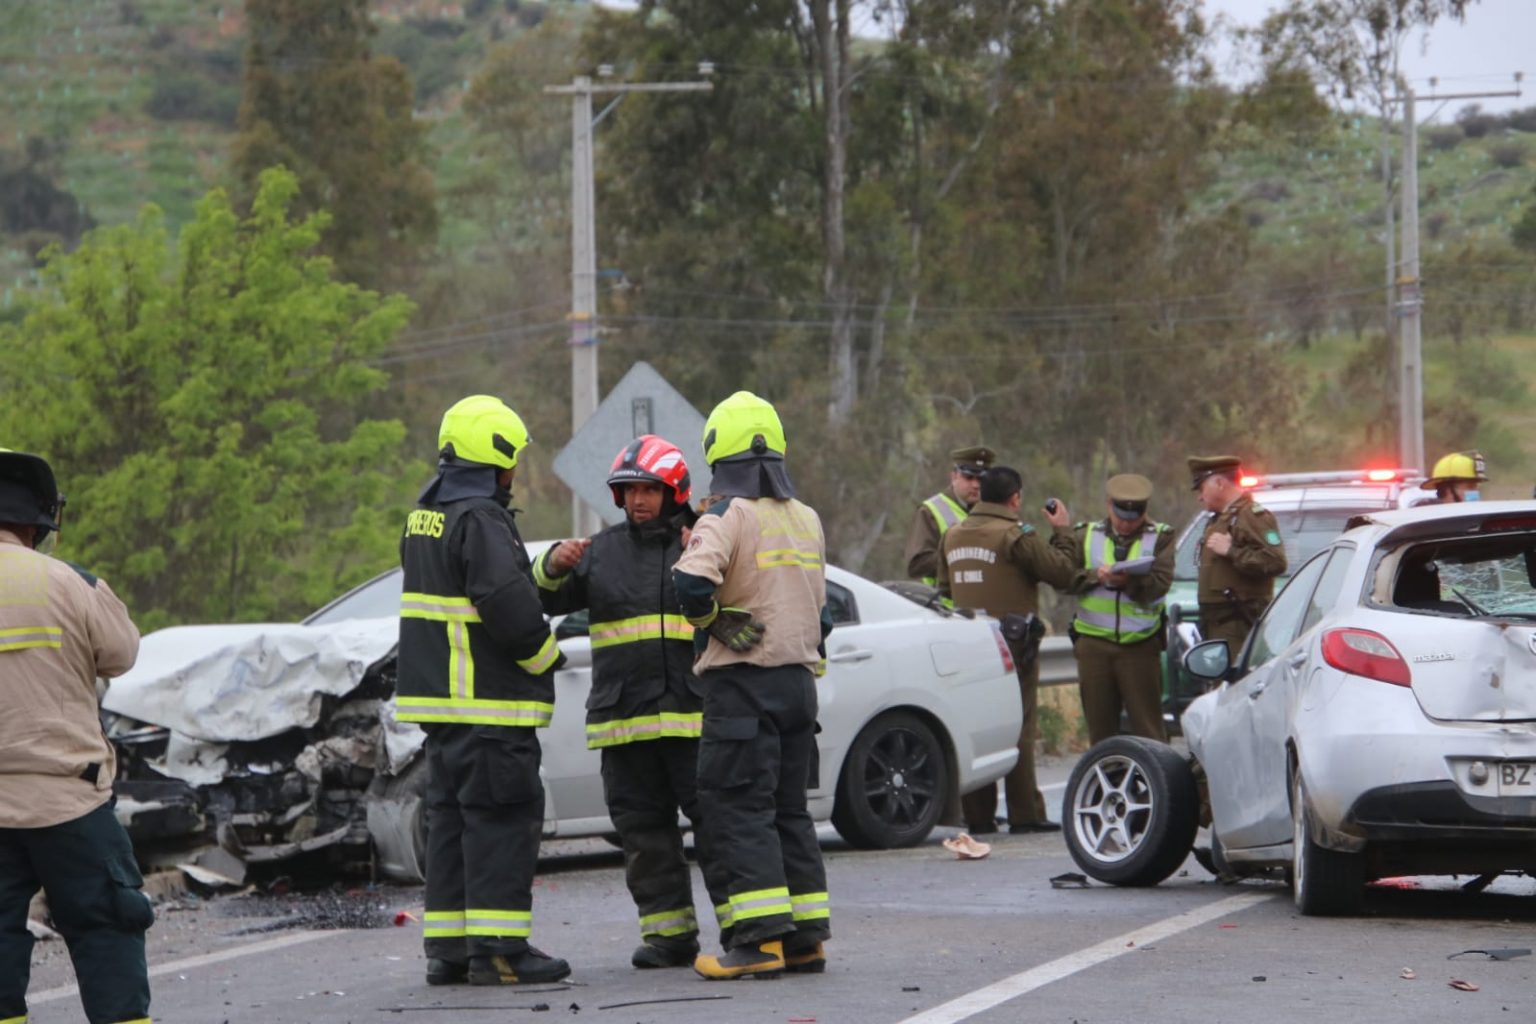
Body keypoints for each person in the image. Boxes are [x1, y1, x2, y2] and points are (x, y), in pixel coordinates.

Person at [395, 396, 570, 987]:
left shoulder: (427, 514)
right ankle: (499, 951)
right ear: (495, 457)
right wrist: (546, 657)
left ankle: (449, 950)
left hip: (443, 711)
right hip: (489, 704)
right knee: (502, 819)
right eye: (513, 458)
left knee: (451, 823)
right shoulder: (481, 517)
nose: (515, 470)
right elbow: (506, 604)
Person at [532, 435, 722, 970]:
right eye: (629, 491)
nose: (637, 500)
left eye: (649, 490)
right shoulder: (601, 553)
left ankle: (741, 931)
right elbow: (541, 599)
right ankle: (670, 938)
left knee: (719, 829)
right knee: (644, 837)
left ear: (675, 491)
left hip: (693, 721)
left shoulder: (700, 544)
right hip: (625, 725)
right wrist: (553, 564)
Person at [672, 391, 832, 980]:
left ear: (719, 452)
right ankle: (806, 939)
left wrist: (714, 621)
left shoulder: (727, 514)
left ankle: (758, 944)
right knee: (789, 811)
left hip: (741, 687)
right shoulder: (806, 516)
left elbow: (689, 584)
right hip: (798, 686)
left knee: (738, 810)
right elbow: (826, 610)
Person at [0, 448, 151, 1024]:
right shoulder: (69, 582)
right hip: (68, 797)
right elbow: (122, 655)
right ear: (39, 523)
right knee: (106, 923)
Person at [938, 465, 1077, 835]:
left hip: (966, 643)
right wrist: (1062, 531)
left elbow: (943, 590)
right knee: (1018, 726)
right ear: (1015, 498)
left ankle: (979, 815)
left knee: (976, 727)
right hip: (1012, 648)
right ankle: (1024, 812)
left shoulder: (952, 535)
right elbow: (1062, 573)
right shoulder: (1016, 536)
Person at [1046, 474, 1174, 745]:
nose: (1127, 524)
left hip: (1140, 646)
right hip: (1094, 647)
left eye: (1134, 517)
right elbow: (1063, 578)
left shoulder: (1160, 537)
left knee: (1150, 732)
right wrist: (1097, 577)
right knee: (1101, 734)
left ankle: (1156, 785)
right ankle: (1106, 784)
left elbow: (1160, 586)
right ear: (1108, 506)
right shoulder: (1086, 534)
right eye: (1121, 517)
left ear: (1144, 511)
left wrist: (1129, 582)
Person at [1188, 455, 1287, 657]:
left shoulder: (1251, 515)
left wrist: (1232, 551)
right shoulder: (1219, 519)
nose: (1200, 497)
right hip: (1217, 626)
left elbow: (1275, 561)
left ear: (1219, 483)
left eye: (1201, 488)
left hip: (1239, 625)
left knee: (1236, 685)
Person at [904, 445, 996, 587]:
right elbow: (916, 566)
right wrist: (959, 555)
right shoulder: (930, 510)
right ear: (954, 477)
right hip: (944, 606)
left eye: (981, 479)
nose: (976, 485)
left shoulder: (996, 510)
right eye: (969, 477)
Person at [1420, 450, 1488, 504]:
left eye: (1477, 487)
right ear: (1447, 490)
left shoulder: (1483, 519)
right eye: (1470, 487)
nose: (1476, 493)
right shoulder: (1428, 519)